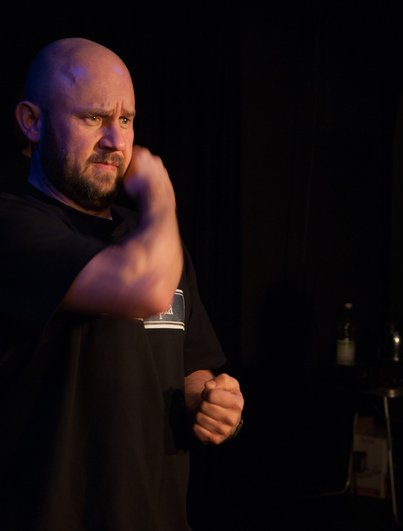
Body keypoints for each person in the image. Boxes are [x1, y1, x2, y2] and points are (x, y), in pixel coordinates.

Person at [0, 37, 244, 530]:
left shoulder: (152, 239)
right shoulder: (13, 224)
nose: (116, 140)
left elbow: (189, 367)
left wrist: (211, 400)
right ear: (31, 121)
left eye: (126, 120)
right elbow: (144, 290)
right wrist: (160, 190)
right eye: (93, 117)